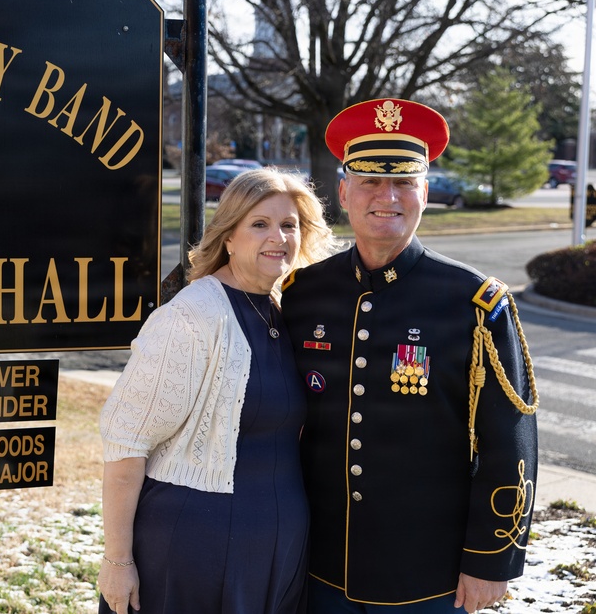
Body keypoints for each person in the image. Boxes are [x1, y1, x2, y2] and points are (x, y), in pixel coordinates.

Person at [280, 98, 540, 613]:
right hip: (319, 567)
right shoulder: (304, 293)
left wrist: (491, 558)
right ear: (344, 192)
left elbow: (509, 438)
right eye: (371, 181)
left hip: (429, 576)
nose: (387, 196)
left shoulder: (475, 303)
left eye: (403, 181)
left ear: (424, 191)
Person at [98, 169, 337, 614]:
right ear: (228, 236)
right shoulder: (191, 318)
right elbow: (126, 442)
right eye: (259, 224)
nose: (279, 237)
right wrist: (117, 559)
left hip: (277, 551)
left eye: (289, 225)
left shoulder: (286, 311)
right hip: (195, 549)